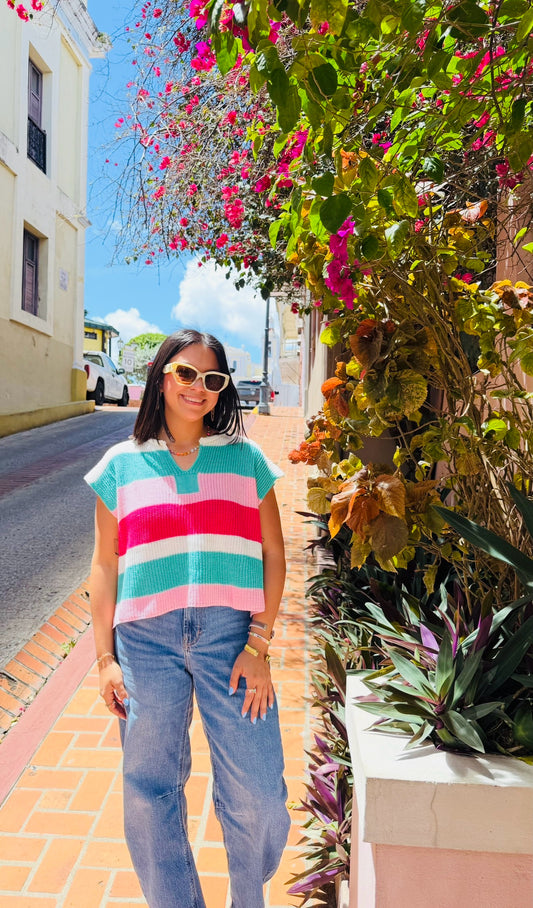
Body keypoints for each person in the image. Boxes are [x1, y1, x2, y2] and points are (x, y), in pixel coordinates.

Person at [84, 329, 290, 908]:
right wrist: (105, 659)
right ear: (160, 376)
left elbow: (274, 554)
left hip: (232, 638)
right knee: (150, 792)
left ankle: (248, 898)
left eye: (212, 378)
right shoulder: (120, 466)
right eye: (185, 373)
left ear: (223, 390)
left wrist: (261, 642)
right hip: (145, 645)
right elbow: (104, 567)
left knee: (259, 799)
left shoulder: (246, 460)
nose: (197, 388)